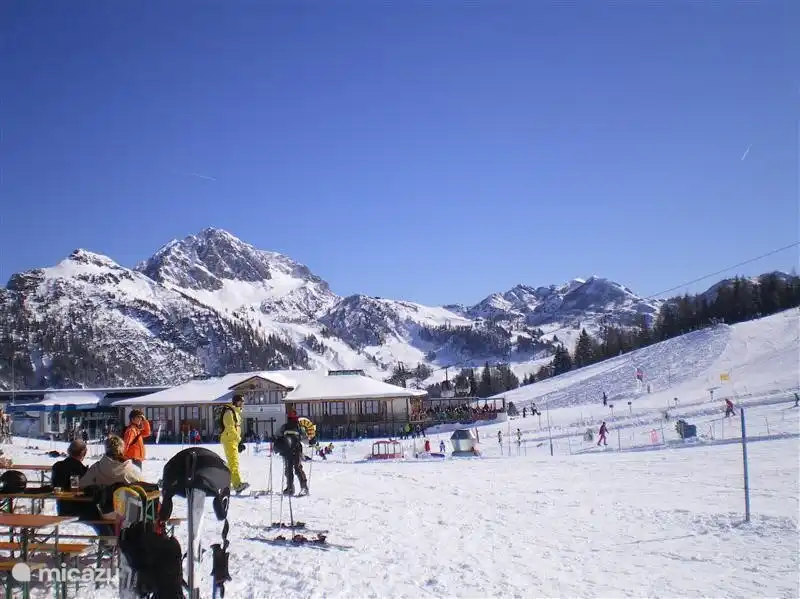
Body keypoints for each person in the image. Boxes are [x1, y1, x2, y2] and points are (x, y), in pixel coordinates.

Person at [277, 410, 316, 496]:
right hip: (291, 450)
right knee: (291, 469)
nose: (292, 419)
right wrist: (310, 442)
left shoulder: (290, 427)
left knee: (293, 469)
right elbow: (304, 439)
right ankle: (292, 487)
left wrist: (311, 441)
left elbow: (279, 437)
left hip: (293, 450)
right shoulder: (290, 427)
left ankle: (302, 488)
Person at [220, 394, 248, 493]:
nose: (242, 403)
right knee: (233, 462)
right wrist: (238, 439)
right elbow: (230, 428)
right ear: (236, 402)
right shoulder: (229, 412)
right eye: (241, 401)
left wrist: (239, 441)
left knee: (232, 463)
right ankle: (237, 485)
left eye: (243, 401)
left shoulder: (235, 412)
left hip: (233, 440)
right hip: (229, 440)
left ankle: (231, 483)